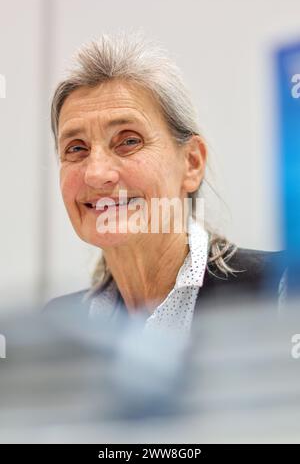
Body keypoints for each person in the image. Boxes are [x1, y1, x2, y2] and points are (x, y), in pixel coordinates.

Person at [46, 32, 285, 335]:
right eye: (76, 148)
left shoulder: (278, 293)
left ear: (192, 162)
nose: (96, 173)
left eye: (128, 141)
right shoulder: (57, 326)